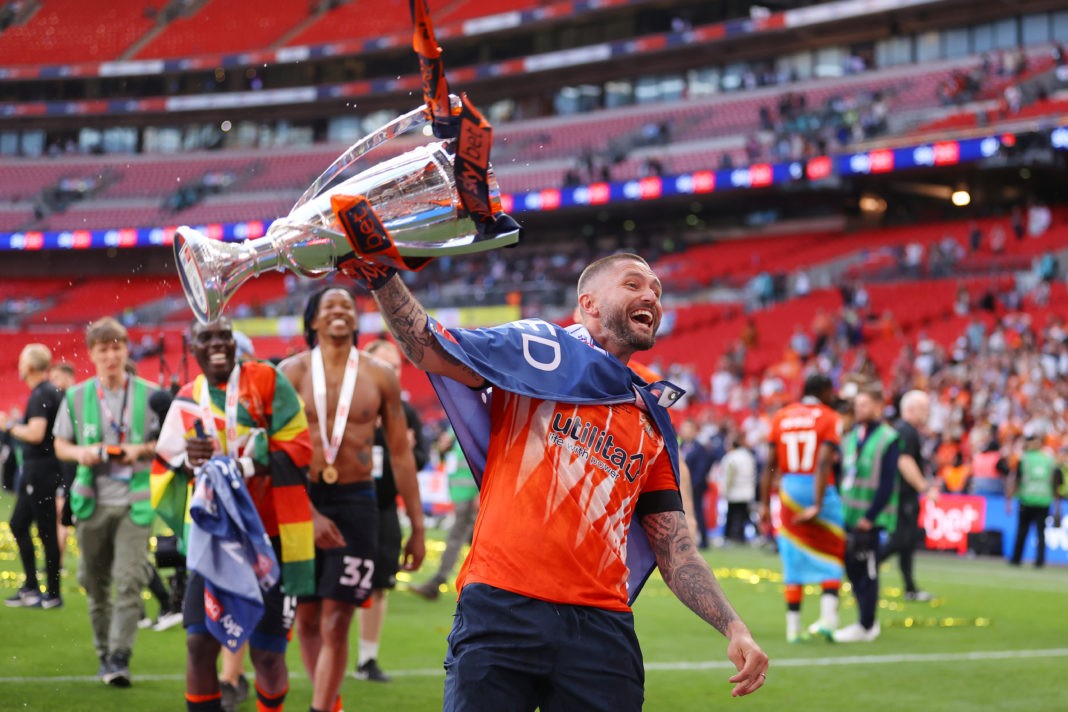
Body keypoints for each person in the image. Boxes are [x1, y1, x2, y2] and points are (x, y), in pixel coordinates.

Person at [346, 251, 767, 708]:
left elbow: (674, 548)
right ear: (587, 303)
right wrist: (380, 274)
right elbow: (430, 347)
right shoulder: (536, 350)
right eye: (633, 284)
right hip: (501, 608)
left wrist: (734, 626)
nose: (650, 295)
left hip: (601, 627)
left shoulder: (650, 412)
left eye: (657, 291)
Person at [151, 316, 316, 711]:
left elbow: (299, 446)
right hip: (216, 541)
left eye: (224, 335)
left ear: (236, 342)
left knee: (267, 655)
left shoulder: (268, 381)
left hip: (270, 537)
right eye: (206, 338)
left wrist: (248, 462)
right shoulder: (188, 399)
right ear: (193, 349)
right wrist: (188, 464)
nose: (217, 344)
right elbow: (163, 468)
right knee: (197, 642)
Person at [279, 288, 425, 712]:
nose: (340, 311)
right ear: (313, 321)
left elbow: (400, 454)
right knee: (306, 619)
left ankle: (321, 707)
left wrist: (416, 527)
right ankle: (331, 701)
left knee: (338, 617)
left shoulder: (380, 375)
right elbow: (276, 451)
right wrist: (307, 513)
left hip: (357, 502)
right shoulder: (291, 373)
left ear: (357, 321)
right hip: (301, 499)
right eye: (330, 307)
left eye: (348, 306)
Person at [52, 317, 160, 686]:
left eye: (117, 347)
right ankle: (103, 652)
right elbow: (60, 445)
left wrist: (140, 449)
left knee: (128, 581)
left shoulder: (152, 393)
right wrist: (82, 453)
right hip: (91, 503)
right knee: (95, 584)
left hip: (135, 503)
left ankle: (119, 657)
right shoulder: (76, 396)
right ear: (92, 354)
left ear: (127, 349)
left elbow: (167, 444)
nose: (112, 355)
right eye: (104, 349)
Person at [353, 336, 428, 682]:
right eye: (384, 366)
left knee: (379, 585)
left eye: (396, 367)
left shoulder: (405, 412)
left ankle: (367, 659)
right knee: (334, 590)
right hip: (344, 507)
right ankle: (330, 655)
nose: (391, 373)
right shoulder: (350, 407)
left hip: (384, 510)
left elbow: (422, 459)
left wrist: (410, 451)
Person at [759, 373, 844, 643]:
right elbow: (823, 463)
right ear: (824, 391)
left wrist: (764, 502)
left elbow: (770, 464)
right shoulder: (829, 416)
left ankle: (793, 629)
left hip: (790, 487)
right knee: (831, 552)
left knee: (792, 556)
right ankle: (829, 620)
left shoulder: (781, 416)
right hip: (819, 486)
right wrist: (818, 502)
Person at [835, 381, 900, 643]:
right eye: (857, 404)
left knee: (868, 570)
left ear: (878, 406)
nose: (858, 408)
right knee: (853, 569)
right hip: (848, 517)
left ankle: (866, 624)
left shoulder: (888, 438)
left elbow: (887, 483)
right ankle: (865, 621)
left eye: (864, 404)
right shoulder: (851, 438)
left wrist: (870, 517)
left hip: (868, 520)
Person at [3, 344, 65, 610]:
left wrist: (8, 425)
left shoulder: (41, 393)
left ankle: (50, 592)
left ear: (29, 367)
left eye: (21, 361)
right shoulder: (48, 391)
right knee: (19, 524)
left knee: (45, 531)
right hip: (43, 469)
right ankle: (33, 586)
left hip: (41, 470)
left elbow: (36, 433)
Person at [879, 390, 940, 602]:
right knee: (900, 540)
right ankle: (862, 569)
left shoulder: (901, 430)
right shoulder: (906, 431)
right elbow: (904, 462)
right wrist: (925, 487)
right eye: (924, 409)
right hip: (902, 495)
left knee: (907, 543)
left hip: (901, 495)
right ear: (911, 409)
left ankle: (910, 588)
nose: (927, 413)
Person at [409, 428, 478, 600]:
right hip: (462, 493)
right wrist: (443, 448)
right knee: (475, 541)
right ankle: (484, 586)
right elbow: (445, 456)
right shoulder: (456, 424)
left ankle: (437, 582)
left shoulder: (472, 420)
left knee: (456, 539)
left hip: (470, 495)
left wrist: (480, 491)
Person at [1006, 426, 1063, 568]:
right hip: (1044, 500)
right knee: (1041, 532)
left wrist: (1009, 498)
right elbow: (1056, 481)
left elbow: (1017, 480)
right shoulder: (1050, 460)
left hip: (1027, 499)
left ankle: (1016, 559)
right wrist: (1057, 504)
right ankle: (1040, 561)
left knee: (1022, 531)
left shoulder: (1024, 459)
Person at [48, 361, 79, 563]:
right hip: (70, 467)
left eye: (57, 378)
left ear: (68, 377)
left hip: (72, 469)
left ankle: (55, 563)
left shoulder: (74, 400)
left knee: (64, 516)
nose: (54, 383)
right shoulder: (68, 399)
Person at [677, 418, 715, 548]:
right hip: (680, 487)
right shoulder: (679, 446)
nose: (685, 432)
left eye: (688, 429)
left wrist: (692, 485)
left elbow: (702, 469)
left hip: (695, 487)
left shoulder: (700, 448)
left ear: (694, 431)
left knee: (697, 512)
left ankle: (703, 540)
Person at [720, 436, 756, 544]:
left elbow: (729, 476)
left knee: (731, 514)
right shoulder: (748, 455)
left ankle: (728, 536)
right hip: (747, 490)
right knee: (744, 514)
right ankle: (742, 536)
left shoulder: (730, 457)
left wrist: (725, 490)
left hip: (735, 491)